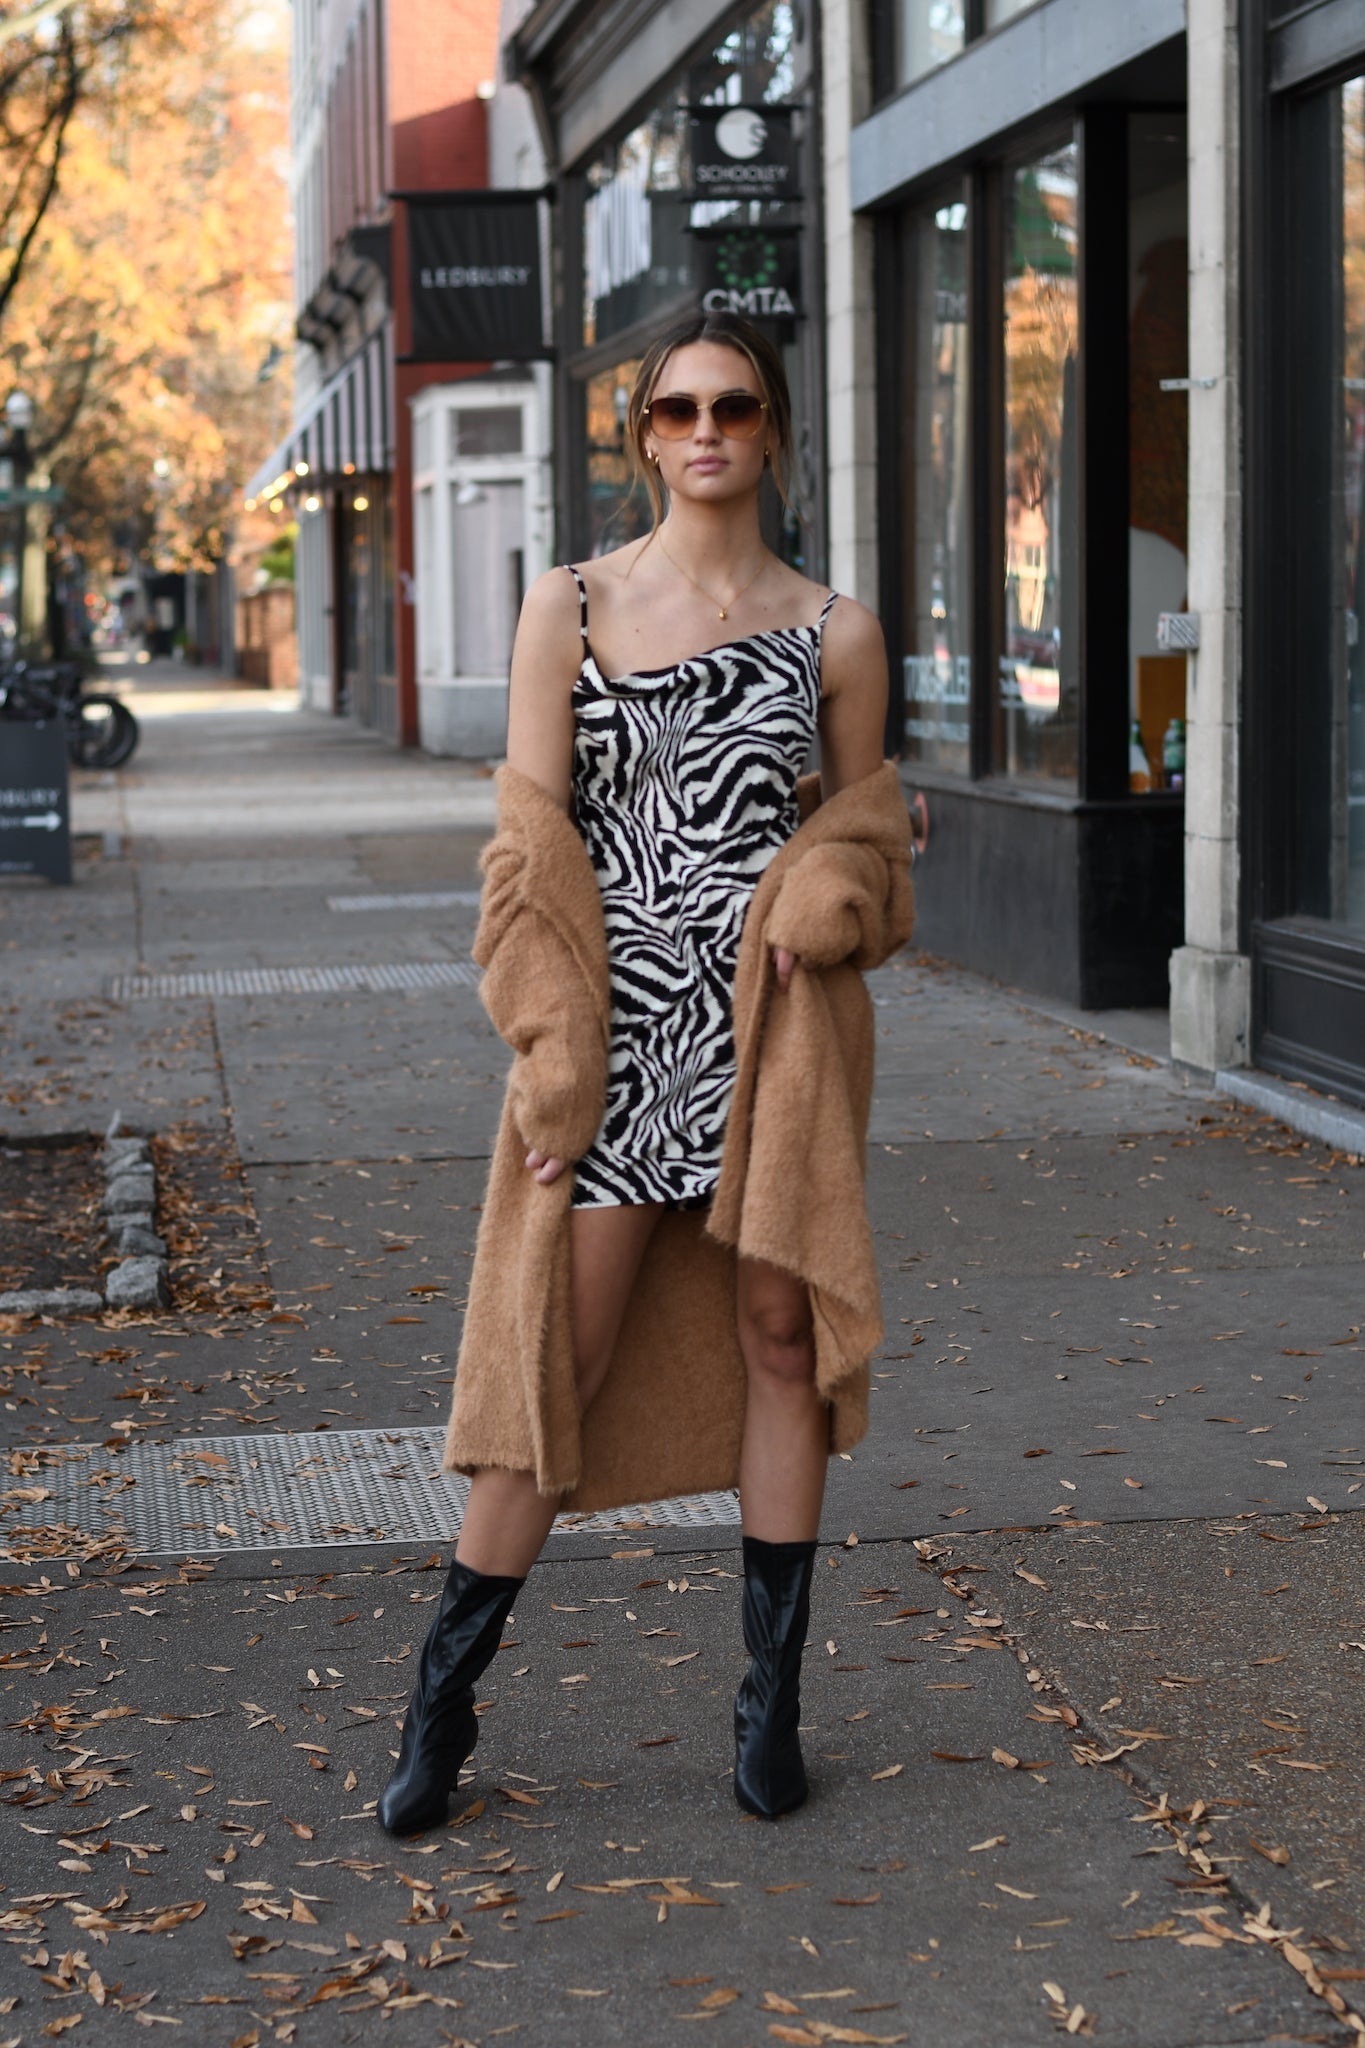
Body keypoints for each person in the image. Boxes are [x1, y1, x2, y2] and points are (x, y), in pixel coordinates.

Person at [379, 310, 911, 1836]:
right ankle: (442, 1704)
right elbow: (526, 854)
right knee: (565, 1358)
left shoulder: (837, 633)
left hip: (769, 1044)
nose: (702, 432)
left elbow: (867, 847)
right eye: (673, 410)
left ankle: (767, 1710)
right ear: (640, 438)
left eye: (731, 408)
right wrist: (549, 1049)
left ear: (771, 429)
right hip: (614, 1050)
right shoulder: (572, 605)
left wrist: (832, 894)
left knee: (777, 1342)